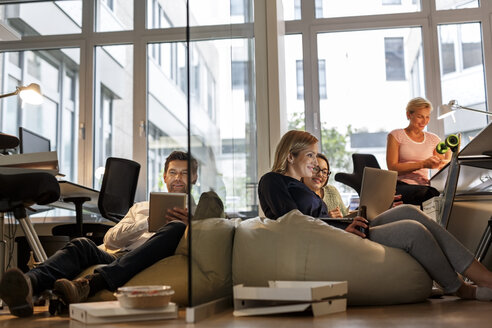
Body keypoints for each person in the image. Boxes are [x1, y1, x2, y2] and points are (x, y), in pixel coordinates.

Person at [258, 130, 492, 302]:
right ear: (290, 157)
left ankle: (483, 276)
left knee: (409, 211)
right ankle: (461, 289)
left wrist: (350, 220)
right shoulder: (273, 180)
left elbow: (317, 219)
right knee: (412, 230)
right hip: (329, 241)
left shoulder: (302, 187)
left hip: (338, 233)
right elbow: (292, 222)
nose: (314, 163)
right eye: (310, 156)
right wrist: (339, 230)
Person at [0, 151, 198, 317]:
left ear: (194, 178)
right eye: (173, 172)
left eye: (184, 173)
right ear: (164, 177)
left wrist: (191, 227)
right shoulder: (140, 208)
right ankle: (29, 284)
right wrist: (147, 221)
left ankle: (90, 284)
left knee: (177, 228)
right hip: (118, 255)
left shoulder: (198, 214)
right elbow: (110, 239)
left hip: (150, 259)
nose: (178, 178)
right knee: (82, 244)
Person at [386, 97, 451, 206]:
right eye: (420, 116)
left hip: (423, 187)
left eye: (427, 117)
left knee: (435, 194)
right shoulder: (396, 135)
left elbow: (441, 165)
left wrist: (448, 156)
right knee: (430, 194)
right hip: (400, 185)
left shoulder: (433, 139)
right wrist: (423, 164)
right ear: (409, 115)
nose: (424, 121)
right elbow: (392, 167)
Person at [302, 153, 349, 218]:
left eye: (324, 172)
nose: (320, 175)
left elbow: (346, 216)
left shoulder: (332, 191)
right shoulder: (296, 197)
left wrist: (342, 220)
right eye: (315, 169)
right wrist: (327, 219)